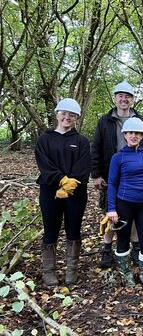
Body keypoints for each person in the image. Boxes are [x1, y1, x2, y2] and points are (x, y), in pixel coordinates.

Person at [91, 80, 143, 268]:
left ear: (132, 99)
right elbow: (96, 147)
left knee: (133, 212)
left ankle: (135, 247)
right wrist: (96, 174)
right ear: (115, 98)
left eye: (127, 96)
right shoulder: (106, 120)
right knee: (110, 213)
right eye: (120, 95)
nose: (124, 99)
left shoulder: (141, 120)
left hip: (135, 174)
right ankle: (106, 248)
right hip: (111, 174)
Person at [35, 98, 91, 286]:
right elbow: (44, 164)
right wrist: (61, 180)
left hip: (76, 193)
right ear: (57, 114)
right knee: (51, 229)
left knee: (73, 229)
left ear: (76, 118)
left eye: (72, 115)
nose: (67, 117)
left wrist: (70, 185)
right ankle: (49, 271)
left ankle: (71, 271)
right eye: (64, 113)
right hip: (50, 191)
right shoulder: (44, 139)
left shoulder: (81, 141)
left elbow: (84, 167)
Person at [106, 117, 143, 287]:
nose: (133, 136)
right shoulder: (118, 157)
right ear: (125, 135)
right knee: (123, 239)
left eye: (137, 133)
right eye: (130, 133)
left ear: (142, 135)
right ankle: (127, 273)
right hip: (124, 204)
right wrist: (111, 208)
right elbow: (112, 183)